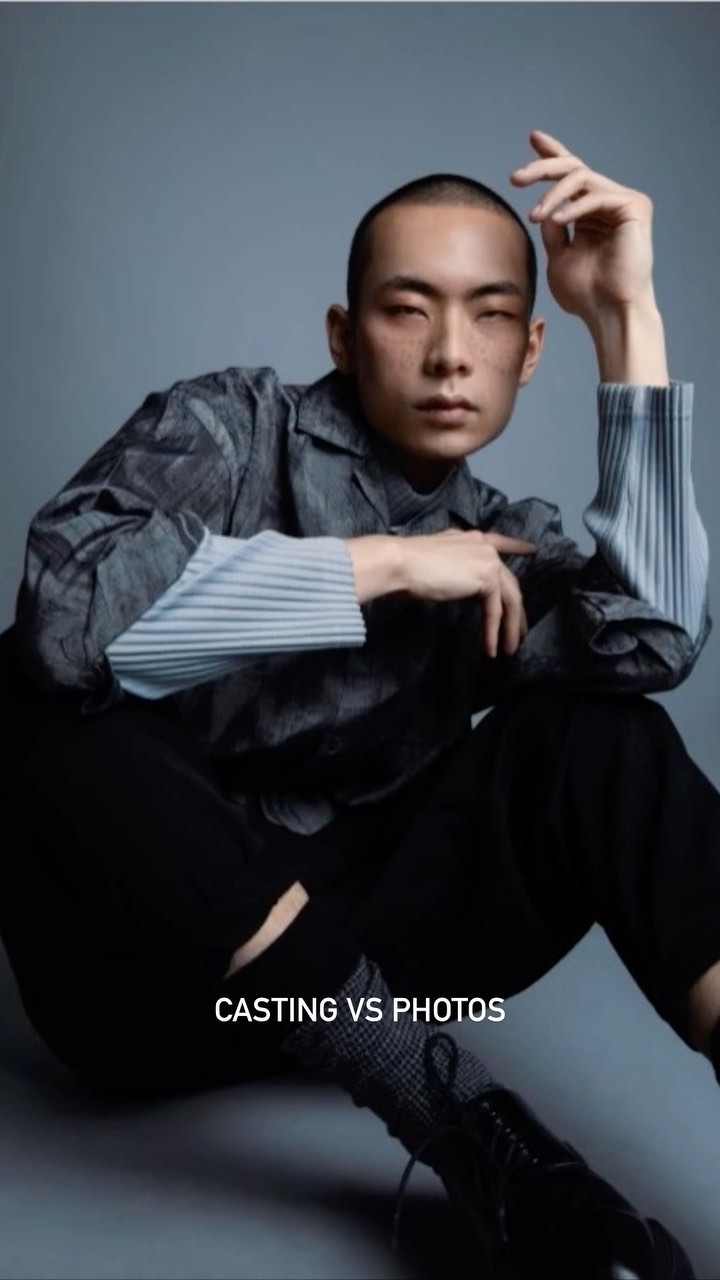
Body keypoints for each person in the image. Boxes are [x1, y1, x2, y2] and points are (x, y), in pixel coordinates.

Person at [0, 126, 716, 1278]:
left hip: (369, 963)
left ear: (531, 349)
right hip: (148, 990)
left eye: (492, 315)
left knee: (603, 731)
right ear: (343, 332)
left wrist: (625, 316)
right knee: (36, 691)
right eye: (407, 309)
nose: (450, 354)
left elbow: (655, 638)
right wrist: (374, 565)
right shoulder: (230, 428)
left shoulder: (499, 541)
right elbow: (60, 618)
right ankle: (480, 1136)